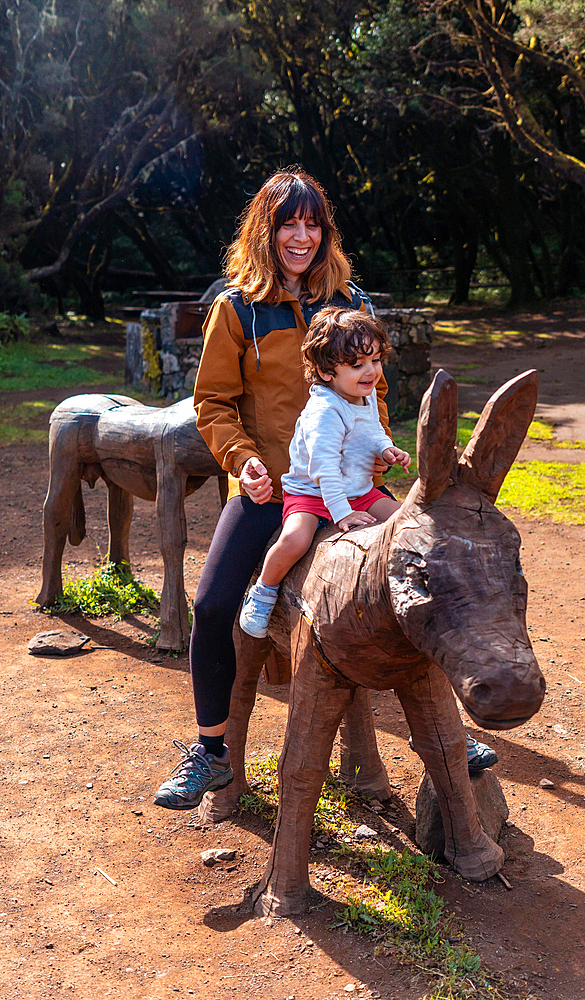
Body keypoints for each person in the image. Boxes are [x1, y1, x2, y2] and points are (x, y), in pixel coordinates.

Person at [153, 167, 496, 810]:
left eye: (313, 224)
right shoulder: (236, 309)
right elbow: (214, 402)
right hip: (271, 493)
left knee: (422, 577)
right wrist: (243, 461)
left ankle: (449, 731)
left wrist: (377, 456)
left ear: (324, 231)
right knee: (211, 606)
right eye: (290, 224)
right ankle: (211, 750)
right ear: (267, 230)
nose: (302, 236)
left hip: (351, 489)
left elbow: (375, 392)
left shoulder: (351, 303)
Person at [239, 307, 410, 638]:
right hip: (312, 493)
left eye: (374, 360)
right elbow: (323, 469)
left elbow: (372, 428)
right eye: (358, 365)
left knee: (406, 521)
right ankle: (263, 591)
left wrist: (385, 448)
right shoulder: (325, 412)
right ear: (325, 371)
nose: (371, 371)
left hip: (359, 489)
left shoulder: (366, 393)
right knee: (294, 539)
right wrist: (342, 514)